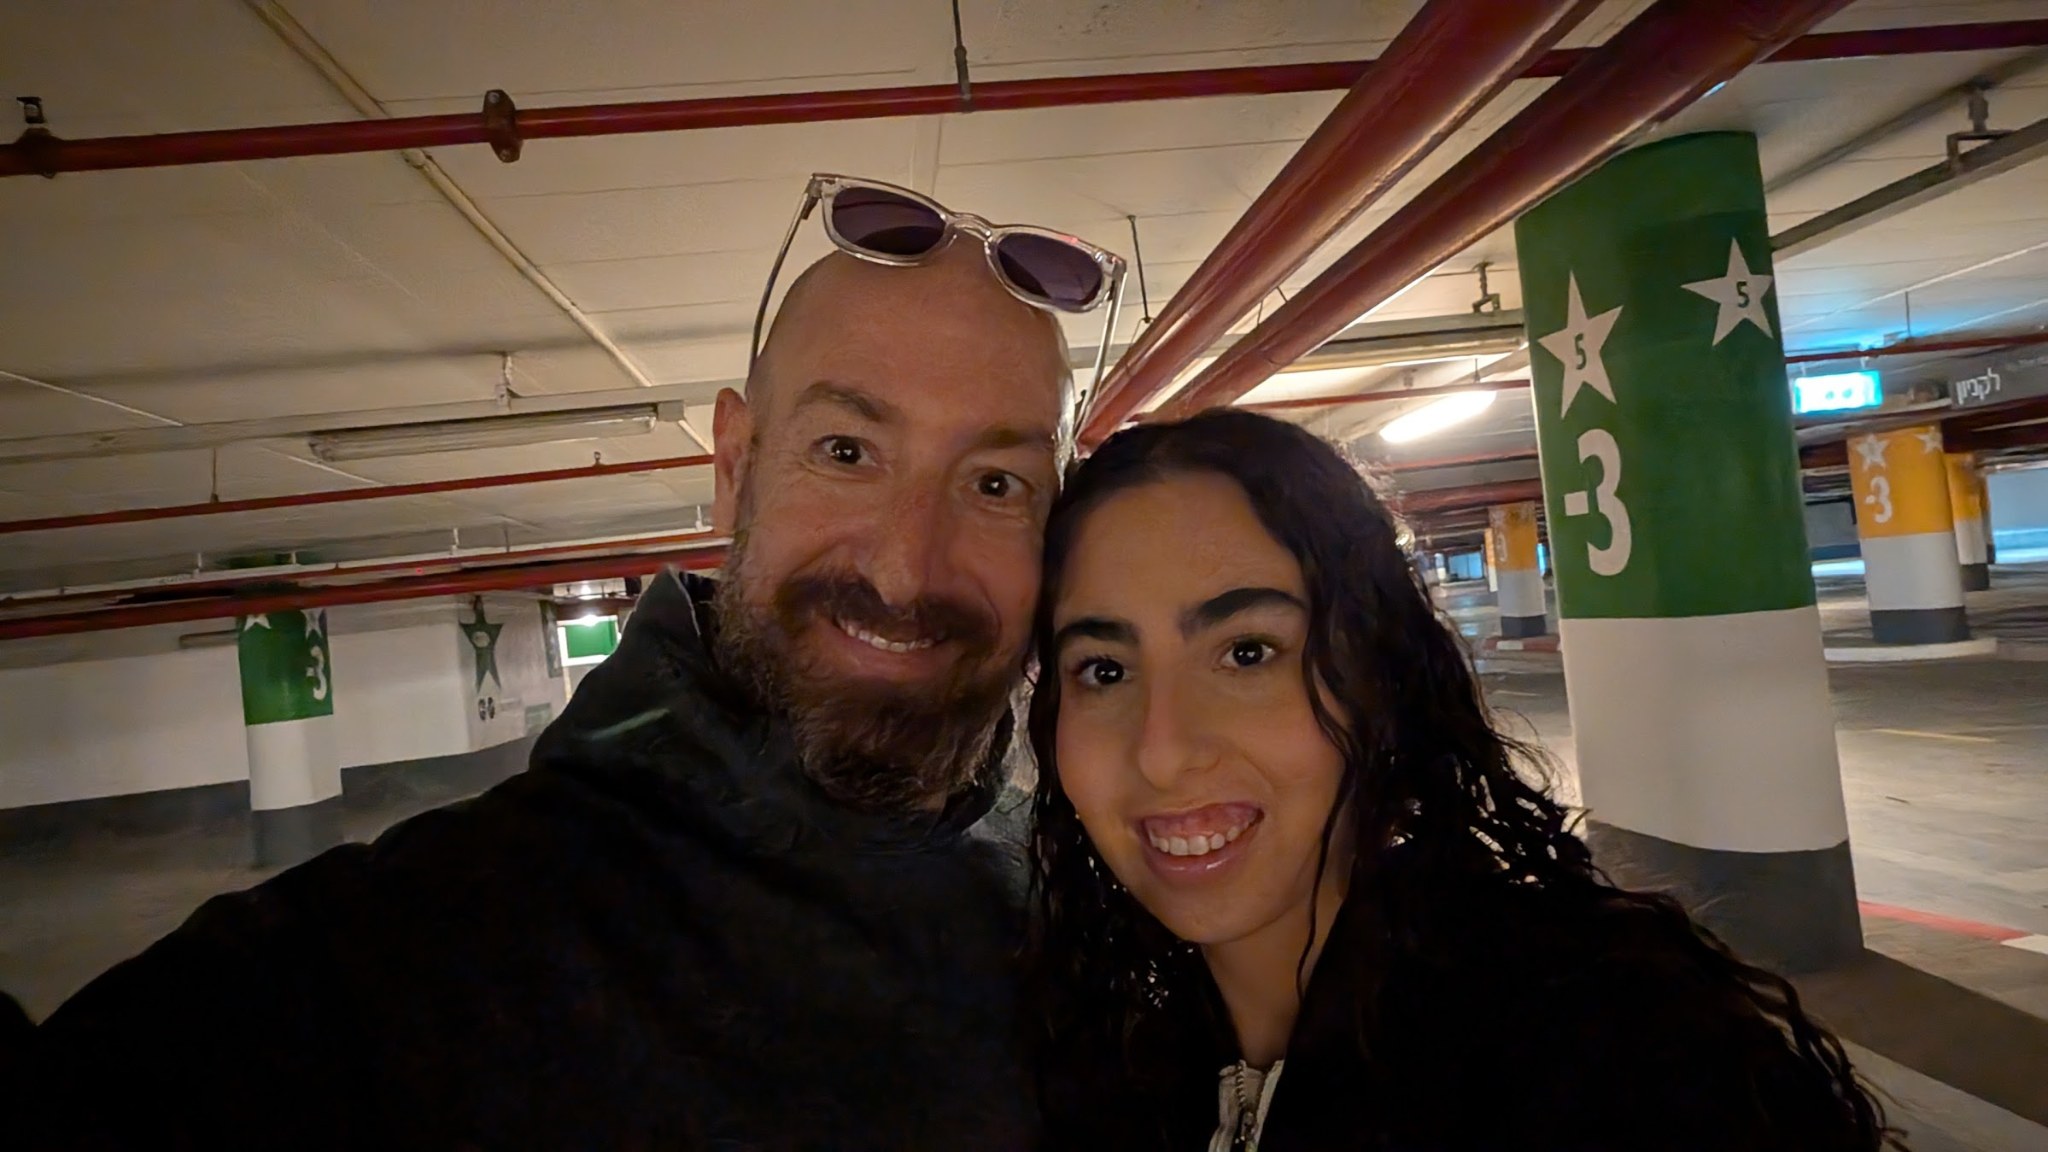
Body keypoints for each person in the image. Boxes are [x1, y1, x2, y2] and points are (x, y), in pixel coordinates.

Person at [16, 175, 1122, 1150]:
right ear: (734, 467)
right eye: (845, 452)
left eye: (993, 484)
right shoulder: (417, 968)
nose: (903, 567)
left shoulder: (1093, 912)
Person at [1025, 409, 1898, 1152]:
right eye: (1102, 670)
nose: (1163, 752)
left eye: (1248, 652)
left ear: (1379, 680)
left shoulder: (1612, 1046)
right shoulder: (1104, 1049)